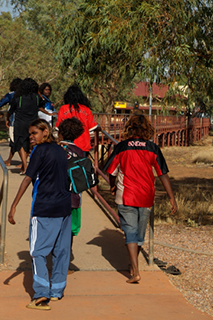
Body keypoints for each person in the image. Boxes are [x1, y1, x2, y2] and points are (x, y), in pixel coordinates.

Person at [103, 114, 178, 284]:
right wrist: (171, 197)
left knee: (130, 232)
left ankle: (135, 270)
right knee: (138, 234)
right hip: (146, 196)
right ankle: (134, 266)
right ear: (147, 130)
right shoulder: (152, 148)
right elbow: (163, 174)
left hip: (126, 195)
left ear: (129, 128)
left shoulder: (121, 147)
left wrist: (113, 186)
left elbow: (111, 171)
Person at [8, 119, 72, 310]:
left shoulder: (39, 151)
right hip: (64, 207)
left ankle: (41, 294)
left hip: (44, 208)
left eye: (34, 133)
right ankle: (57, 291)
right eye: (30, 134)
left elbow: (28, 177)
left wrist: (14, 205)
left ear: (45, 132)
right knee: (62, 251)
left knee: (37, 252)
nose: (31, 137)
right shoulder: (61, 150)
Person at [57, 117, 85, 250]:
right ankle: (65, 262)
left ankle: (54, 260)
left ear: (59, 133)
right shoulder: (80, 152)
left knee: (55, 229)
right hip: (74, 197)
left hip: (54, 196)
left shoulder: (54, 149)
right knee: (70, 231)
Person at [8, 78, 44, 174]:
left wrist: (7, 119)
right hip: (33, 124)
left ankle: (25, 166)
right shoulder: (36, 97)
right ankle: (28, 166)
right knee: (31, 144)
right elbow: (42, 104)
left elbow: (11, 110)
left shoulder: (18, 98)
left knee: (20, 144)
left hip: (20, 124)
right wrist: (39, 93)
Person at [56, 85, 98, 155]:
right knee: (82, 164)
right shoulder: (86, 109)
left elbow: (58, 127)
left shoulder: (63, 108)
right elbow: (92, 127)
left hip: (67, 145)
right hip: (83, 145)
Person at [0, 78, 22, 166]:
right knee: (13, 142)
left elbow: (1, 104)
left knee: (17, 141)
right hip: (26, 121)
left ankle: (24, 163)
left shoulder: (11, 95)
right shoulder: (27, 95)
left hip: (15, 121)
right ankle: (9, 160)